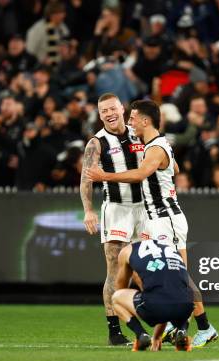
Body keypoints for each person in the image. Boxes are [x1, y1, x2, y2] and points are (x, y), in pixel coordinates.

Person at [88, 99, 219, 347]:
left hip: (164, 218)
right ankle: (183, 327)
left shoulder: (155, 147)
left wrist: (104, 176)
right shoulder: (157, 145)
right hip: (161, 217)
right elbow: (175, 168)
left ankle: (201, 326)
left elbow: (140, 174)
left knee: (179, 275)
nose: (130, 122)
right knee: (173, 273)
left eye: (133, 117)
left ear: (146, 121)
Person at [79, 93, 145, 346]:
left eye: (112, 108)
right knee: (115, 270)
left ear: (122, 108)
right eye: (103, 111)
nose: (109, 113)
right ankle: (114, 331)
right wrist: (88, 210)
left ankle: (164, 322)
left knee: (147, 268)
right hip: (116, 210)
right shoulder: (96, 143)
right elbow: (86, 179)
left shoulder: (138, 133)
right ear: (100, 114)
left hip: (144, 209)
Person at [111, 239, 194, 351]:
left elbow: (120, 289)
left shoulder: (127, 250)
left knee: (116, 297)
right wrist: (157, 336)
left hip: (156, 306)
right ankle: (182, 330)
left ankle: (141, 335)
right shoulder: (171, 249)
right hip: (185, 307)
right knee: (184, 294)